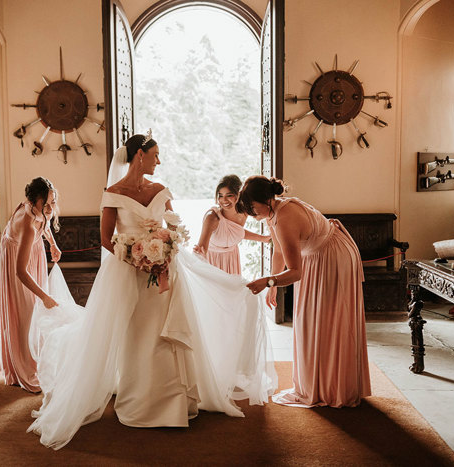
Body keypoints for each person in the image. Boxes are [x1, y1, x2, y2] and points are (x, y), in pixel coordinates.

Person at [27, 132, 276, 449]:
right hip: (129, 274)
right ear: (139, 156)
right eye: (155, 154)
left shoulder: (161, 190)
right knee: (139, 333)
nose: (159, 161)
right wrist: (136, 257)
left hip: (166, 274)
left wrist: (164, 252)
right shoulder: (113, 194)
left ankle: (176, 402)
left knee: (169, 332)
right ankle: (140, 402)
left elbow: (173, 227)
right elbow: (106, 238)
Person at [239, 175, 371, 408]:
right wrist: (273, 287)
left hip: (332, 257)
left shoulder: (285, 216)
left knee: (328, 321)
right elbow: (278, 252)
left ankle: (332, 387)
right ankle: (318, 382)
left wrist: (268, 282)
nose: (251, 213)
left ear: (266, 199)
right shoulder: (273, 212)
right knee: (311, 321)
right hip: (318, 256)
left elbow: (295, 272)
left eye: (252, 207)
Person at [0, 177, 61, 393]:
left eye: (53, 203)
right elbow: (20, 272)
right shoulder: (27, 222)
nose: (51, 208)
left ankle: (36, 359)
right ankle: (24, 370)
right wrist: (44, 296)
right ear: (35, 201)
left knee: (36, 314)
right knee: (26, 315)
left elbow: (46, 223)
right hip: (18, 261)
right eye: (47, 204)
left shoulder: (41, 210)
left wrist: (52, 245)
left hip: (34, 253)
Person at [194, 174, 271, 275]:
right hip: (212, 261)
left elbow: (235, 232)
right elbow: (202, 249)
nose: (224, 200)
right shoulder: (212, 217)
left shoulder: (244, 212)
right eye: (220, 195)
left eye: (229, 195)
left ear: (238, 194)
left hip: (232, 259)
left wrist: (264, 238)